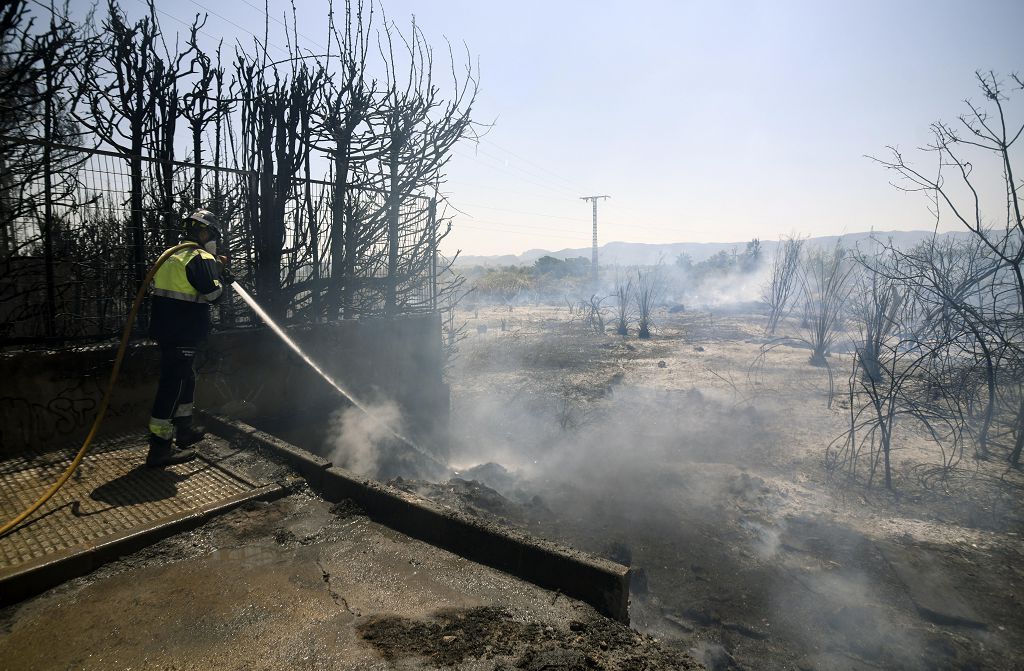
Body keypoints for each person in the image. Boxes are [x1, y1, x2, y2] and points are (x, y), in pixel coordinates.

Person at [145, 209, 233, 467]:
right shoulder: (200, 256)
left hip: (166, 329)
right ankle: (160, 447)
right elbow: (213, 295)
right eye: (213, 235)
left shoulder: (172, 256)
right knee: (173, 385)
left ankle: (184, 430)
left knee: (186, 378)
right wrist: (222, 278)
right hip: (183, 330)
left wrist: (216, 269)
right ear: (204, 232)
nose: (214, 240)